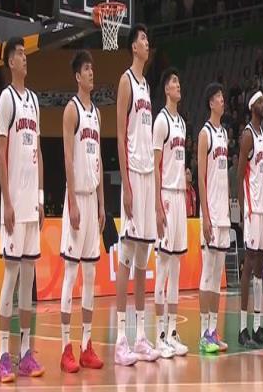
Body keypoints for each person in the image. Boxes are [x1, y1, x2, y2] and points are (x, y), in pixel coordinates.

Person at [0, 37, 45, 383]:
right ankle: (3, 355)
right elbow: (0, 153)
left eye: (25, 54)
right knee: (11, 277)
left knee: (28, 280)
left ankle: (26, 352)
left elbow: (37, 151)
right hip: (14, 203)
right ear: (9, 62)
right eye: (19, 54)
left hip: (32, 205)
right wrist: (7, 201)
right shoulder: (6, 99)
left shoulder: (34, 101)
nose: (24, 59)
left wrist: (40, 198)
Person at [115, 24, 160, 365]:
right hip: (133, 175)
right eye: (142, 38)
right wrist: (126, 184)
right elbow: (120, 134)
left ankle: (141, 336)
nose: (147, 43)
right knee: (127, 255)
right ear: (133, 46)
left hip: (148, 177)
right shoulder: (126, 81)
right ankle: (120, 340)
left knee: (144, 257)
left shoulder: (146, 86)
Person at [60, 50, 105, 372]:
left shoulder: (97, 114)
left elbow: (98, 159)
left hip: (93, 200)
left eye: (92, 68)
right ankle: (65, 348)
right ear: (77, 76)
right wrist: (73, 202)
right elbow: (67, 157)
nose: (91, 73)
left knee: (90, 275)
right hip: (76, 198)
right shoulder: (71, 110)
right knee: (71, 273)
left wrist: (102, 203)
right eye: (86, 69)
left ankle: (87, 345)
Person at [153, 67, 189, 358]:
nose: (178, 85)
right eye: (173, 81)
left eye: (178, 81)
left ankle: (173, 330)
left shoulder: (182, 123)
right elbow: (155, 166)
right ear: (166, 89)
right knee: (163, 267)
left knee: (176, 268)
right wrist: (156, 204)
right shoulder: (161, 121)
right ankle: (159, 335)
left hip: (179, 196)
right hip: (165, 194)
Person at [237, 91, 263, 348]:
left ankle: (258, 325)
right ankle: (242, 328)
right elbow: (240, 174)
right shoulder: (248, 135)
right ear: (253, 108)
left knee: (260, 263)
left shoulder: (262, 135)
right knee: (249, 263)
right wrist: (242, 210)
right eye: (260, 103)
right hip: (252, 208)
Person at [197, 83, 230, 353]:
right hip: (210, 213)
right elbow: (201, 177)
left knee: (218, 276)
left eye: (222, 97)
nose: (222, 100)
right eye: (218, 97)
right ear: (210, 103)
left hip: (224, 214)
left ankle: (213, 330)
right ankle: (202, 333)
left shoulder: (225, 134)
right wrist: (206, 215)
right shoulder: (204, 134)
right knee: (207, 274)